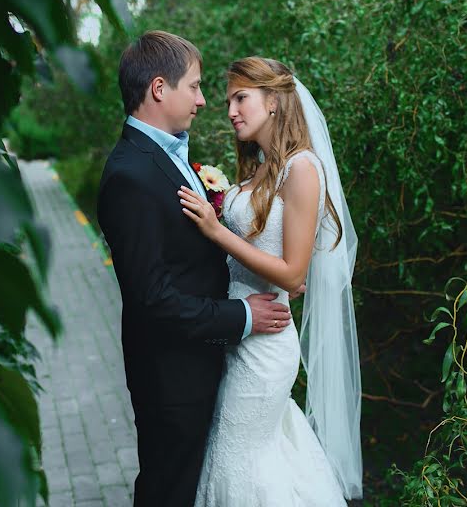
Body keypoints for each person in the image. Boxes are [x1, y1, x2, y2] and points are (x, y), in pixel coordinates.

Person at [96, 32, 294, 507]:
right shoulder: (130, 175)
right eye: (196, 87)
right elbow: (153, 298)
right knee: (169, 493)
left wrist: (275, 271)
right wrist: (243, 317)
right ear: (160, 89)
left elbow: (193, 256)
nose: (205, 102)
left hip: (203, 365)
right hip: (171, 379)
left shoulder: (167, 157)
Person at [178, 56, 363, 504]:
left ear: (275, 101)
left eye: (241, 98)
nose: (230, 111)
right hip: (240, 332)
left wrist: (217, 230)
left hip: (265, 348)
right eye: (228, 101)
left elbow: (294, 272)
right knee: (251, 458)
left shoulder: (302, 168)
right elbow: (270, 259)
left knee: (237, 460)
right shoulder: (261, 168)